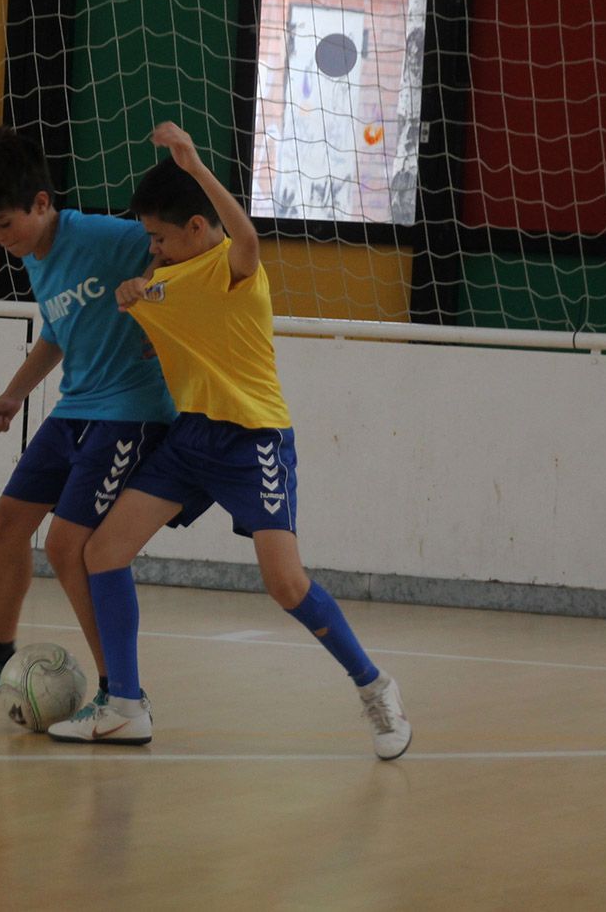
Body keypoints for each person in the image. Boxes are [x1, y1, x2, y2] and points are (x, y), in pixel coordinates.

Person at [47, 122, 412, 759]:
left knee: (285, 584)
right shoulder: (161, 279)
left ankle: (374, 685)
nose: (151, 250)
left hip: (254, 442)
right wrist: (136, 294)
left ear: (196, 226)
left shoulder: (234, 266)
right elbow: (152, 314)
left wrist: (192, 165)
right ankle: (126, 705)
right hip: (191, 438)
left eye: (159, 237)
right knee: (104, 551)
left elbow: (245, 236)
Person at [0, 126, 182, 709]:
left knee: (68, 546)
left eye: (4, 224)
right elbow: (61, 332)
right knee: (5, 523)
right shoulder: (35, 255)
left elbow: (186, 258)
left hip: (130, 415)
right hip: (77, 409)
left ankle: (122, 694)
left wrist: (161, 309)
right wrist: (14, 394)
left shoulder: (104, 237)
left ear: (42, 203)